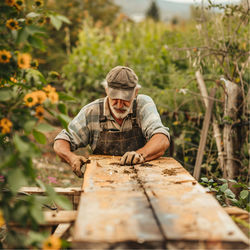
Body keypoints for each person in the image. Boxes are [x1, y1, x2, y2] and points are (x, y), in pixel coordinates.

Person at [54, 66, 170, 177]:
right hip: (103, 179)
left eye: (125, 100)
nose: (119, 105)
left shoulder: (143, 105)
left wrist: (140, 154)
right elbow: (62, 140)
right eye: (114, 99)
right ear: (106, 90)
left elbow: (162, 138)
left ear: (135, 92)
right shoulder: (92, 111)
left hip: (143, 178)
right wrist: (72, 158)